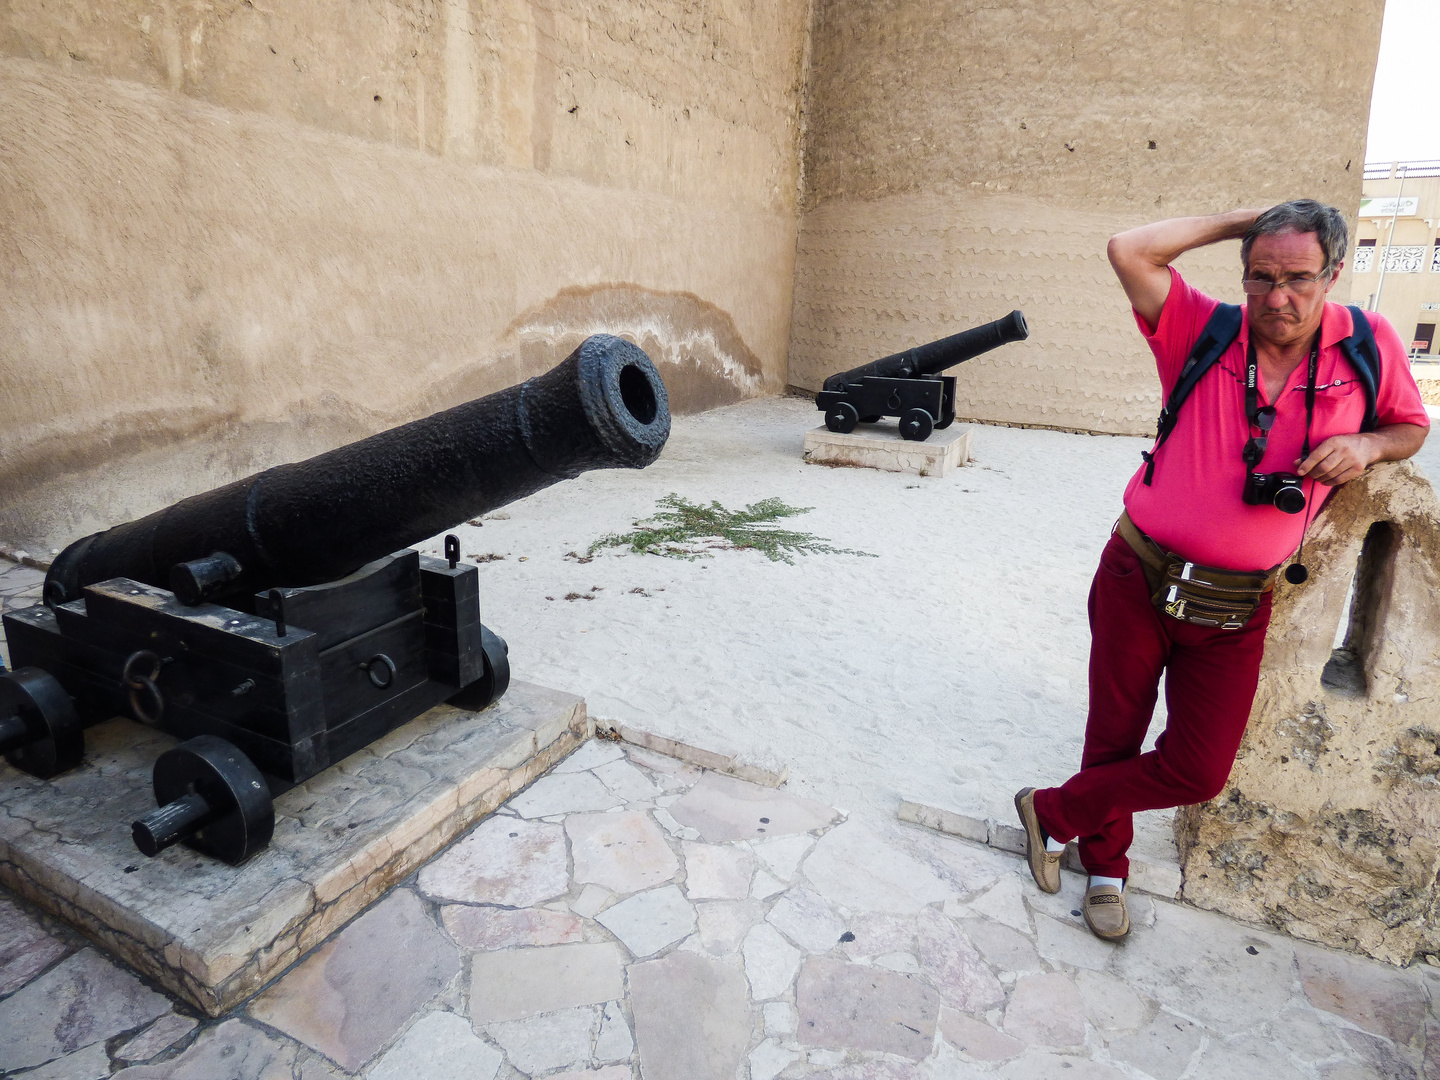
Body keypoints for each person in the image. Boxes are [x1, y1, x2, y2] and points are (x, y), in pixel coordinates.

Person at [1015, 200, 1430, 941]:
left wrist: (1366, 447)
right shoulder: (1201, 329)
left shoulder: (1369, 345)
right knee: (1114, 735)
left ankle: (1052, 811)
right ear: (1243, 273)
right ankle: (1107, 872)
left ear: (1333, 273)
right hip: (1138, 578)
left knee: (1197, 768)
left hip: (1238, 604)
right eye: (1261, 276)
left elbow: (1410, 426)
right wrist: (1245, 219)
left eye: (1299, 277)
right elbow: (1127, 247)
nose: (1278, 297)